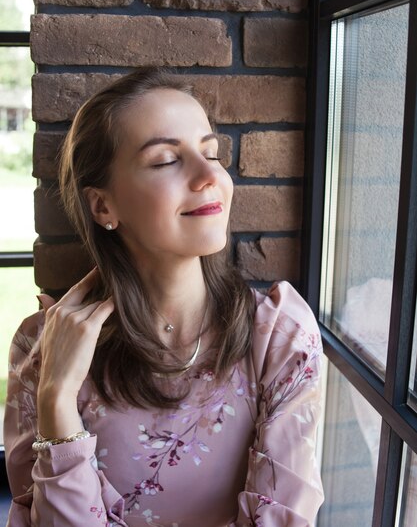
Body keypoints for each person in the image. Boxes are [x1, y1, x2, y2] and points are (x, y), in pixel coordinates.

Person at [4, 68, 324, 527]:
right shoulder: (42, 350)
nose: (208, 175)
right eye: (165, 161)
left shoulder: (279, 335)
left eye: (210, 153)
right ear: (103, 206)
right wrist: (57, 399)